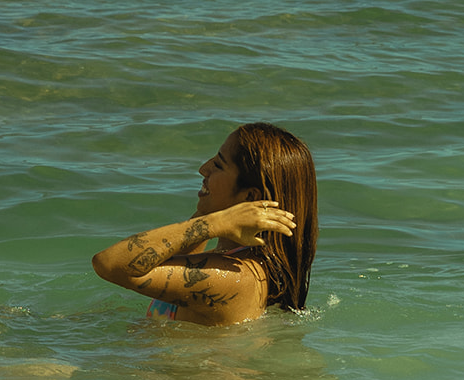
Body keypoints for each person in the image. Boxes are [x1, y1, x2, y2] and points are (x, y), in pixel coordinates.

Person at [91, 122, 317, 325]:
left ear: (249, 197)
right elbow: (168, 256)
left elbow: (109, 264)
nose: (203, 169)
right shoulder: (238, 260)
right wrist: (210, 216)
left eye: (218, 165)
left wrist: (217, 221)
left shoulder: (237, 277)